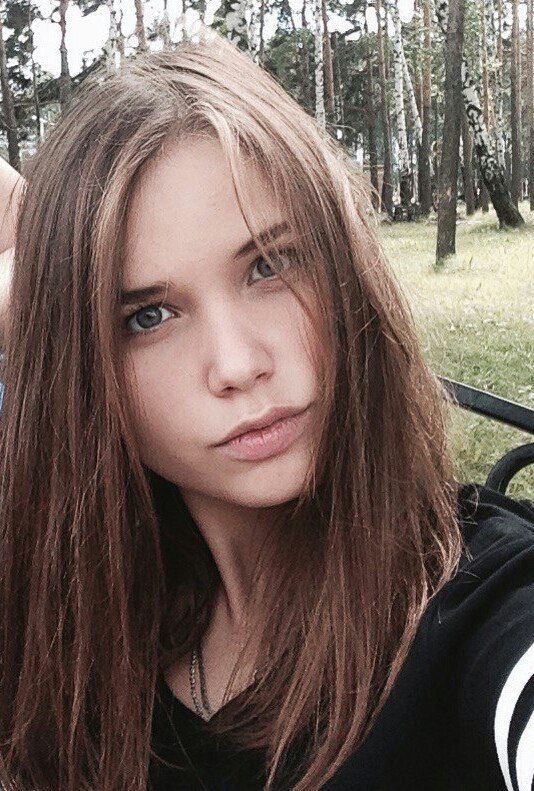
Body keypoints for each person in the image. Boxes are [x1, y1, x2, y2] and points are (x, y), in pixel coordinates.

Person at [0, 29, 532, 791]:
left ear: (344, 266)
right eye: (148, 315)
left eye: (270, 265)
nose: (237, 365)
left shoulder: (480, 604)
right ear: (80, 367)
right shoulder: (77, 630)